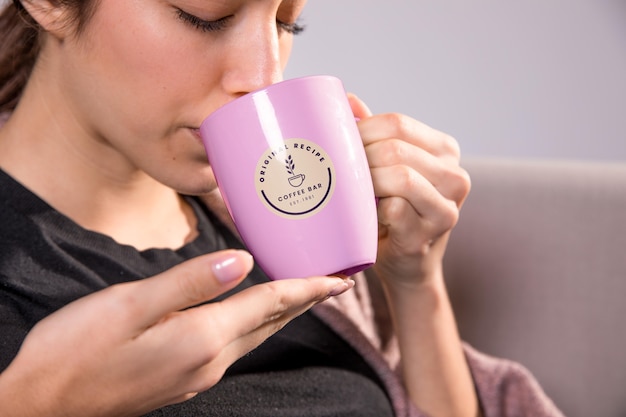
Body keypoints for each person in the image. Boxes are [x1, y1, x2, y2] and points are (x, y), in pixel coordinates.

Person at [0, 1, 563, 416]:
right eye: (207, 16)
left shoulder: (293, 214)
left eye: (286, 22)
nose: (264, 78)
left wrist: (414, 283)